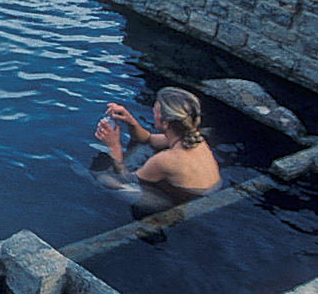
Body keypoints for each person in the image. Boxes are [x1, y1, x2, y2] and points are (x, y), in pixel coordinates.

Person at [93, 86, 223, 213]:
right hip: (210, 191)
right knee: (145, 147)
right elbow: (149, 139)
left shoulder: (165, 160)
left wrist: (114, 146)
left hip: (187, 201)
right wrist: (130, 121)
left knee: (105, 179)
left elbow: (125, 177)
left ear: (166, 123)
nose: (152, 113)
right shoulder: (193, 138)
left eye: (155, 111)